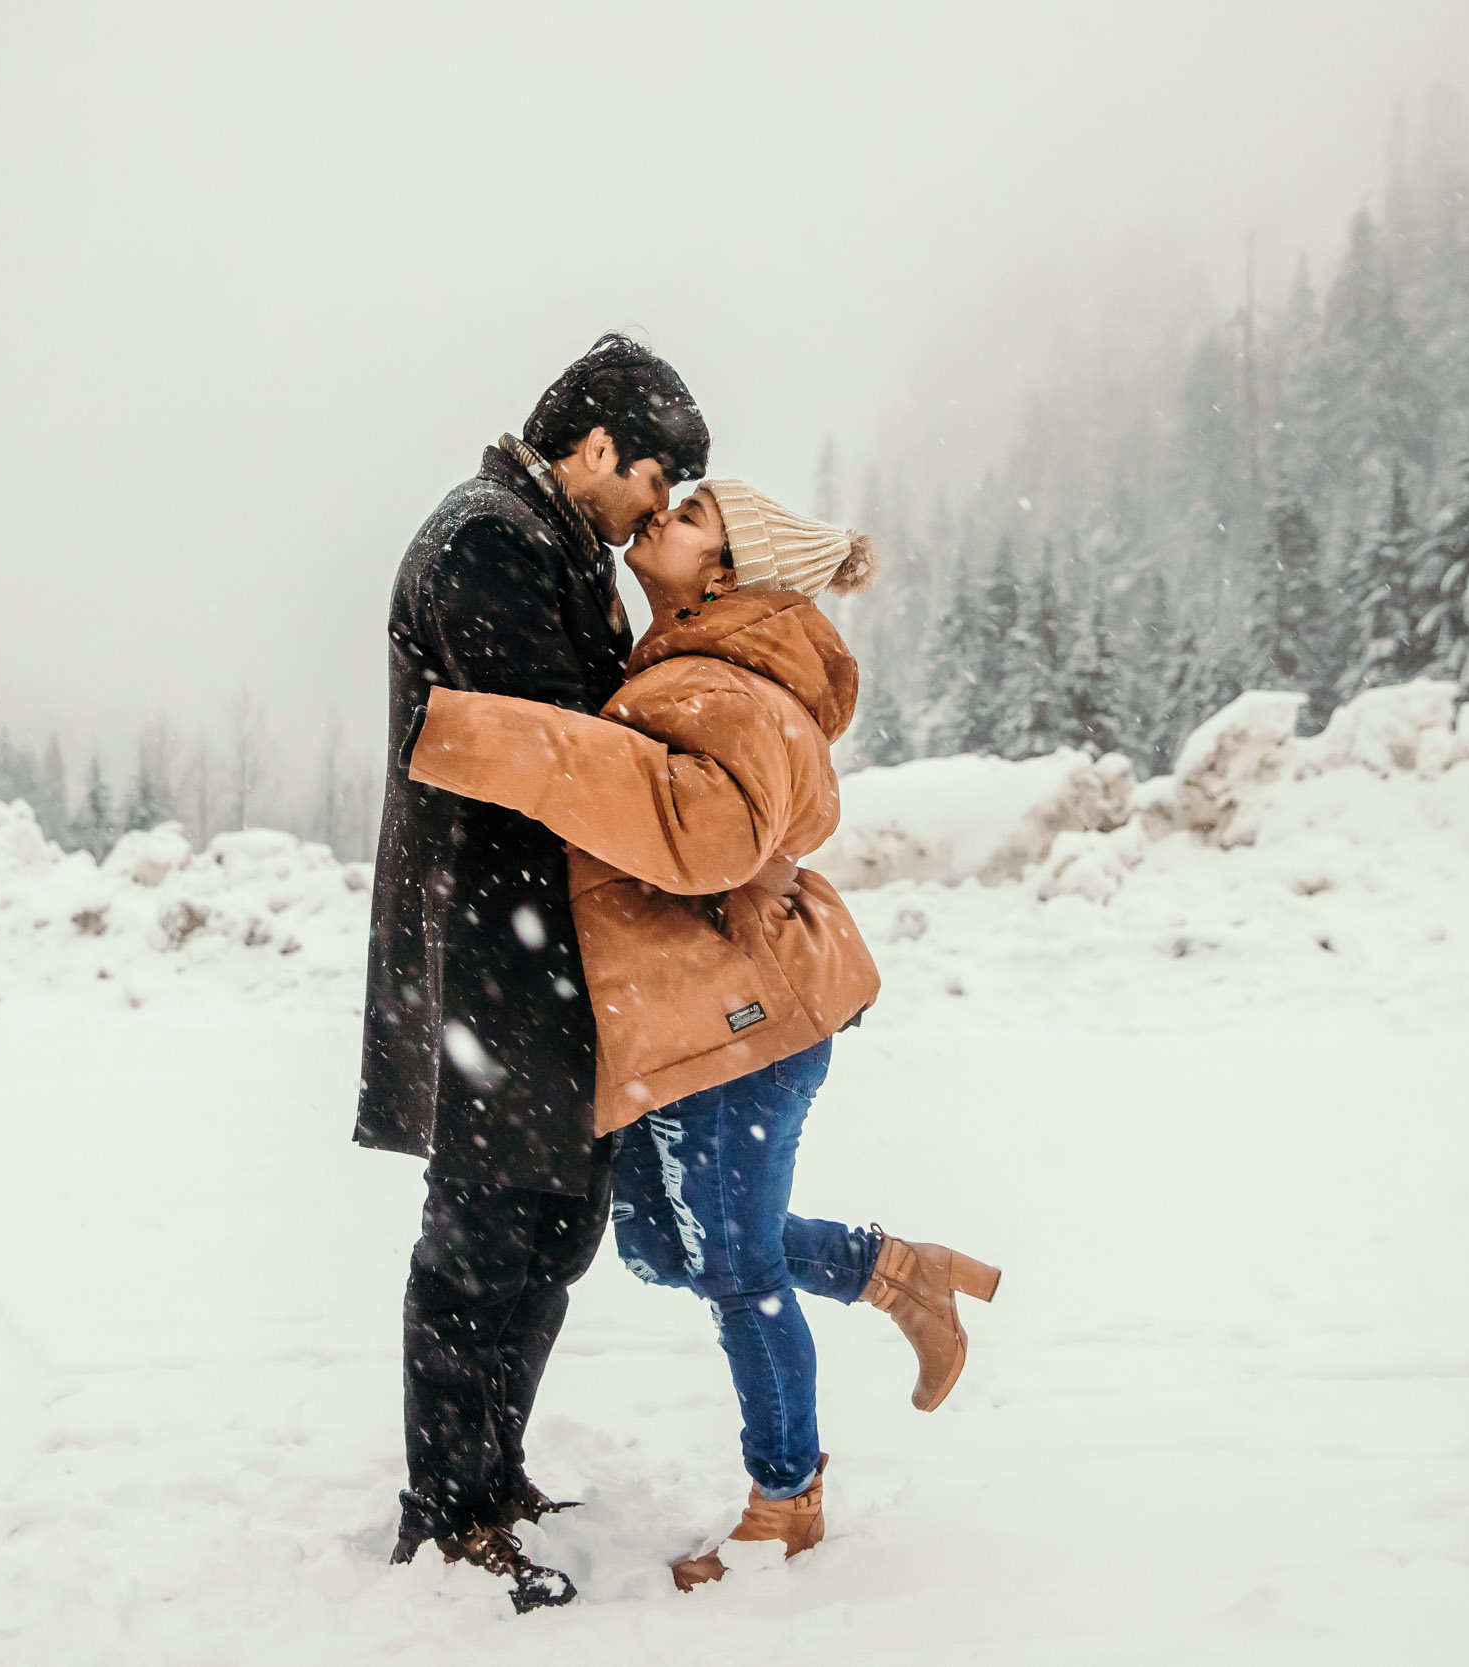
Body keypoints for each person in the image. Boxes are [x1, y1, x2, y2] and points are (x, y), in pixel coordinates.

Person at [407, 479, 1001, 1593]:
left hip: (741, 1028)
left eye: (689, 518)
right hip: (676, 1025)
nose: (656, 520)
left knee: (733, 1268)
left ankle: (787, 1496)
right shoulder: (685, 664)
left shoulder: (728, 681)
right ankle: (899, 1273)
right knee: (659, 1249)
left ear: (728, 572)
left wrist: (479, 734)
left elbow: (709, 830)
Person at [356, 335, 709, 1611]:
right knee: (478, 1235)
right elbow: (572, 749)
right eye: (654, 486)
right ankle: (444, 1512)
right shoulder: (487, 540)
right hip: (484, 955)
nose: (653, 518)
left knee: (554, 1225)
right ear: (597, 446)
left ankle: (493, 1476)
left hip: (544, 954)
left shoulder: (551, 541)